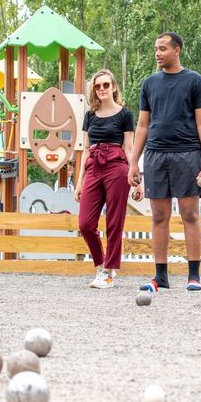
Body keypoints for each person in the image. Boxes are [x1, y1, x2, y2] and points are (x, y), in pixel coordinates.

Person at [128, 32, 201, 293]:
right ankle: (160, 277)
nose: (157, 53)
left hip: (187, 154)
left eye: (163, 48)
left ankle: (194, 276)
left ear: (176, 50)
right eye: (156, 48)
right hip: (155, 155)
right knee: (158, 216)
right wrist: (134, 162)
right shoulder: (149, 84)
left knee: (190, 214)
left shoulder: (194, 81)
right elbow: (142, 125)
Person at [75, 69, 143, 288]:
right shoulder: (90, 115)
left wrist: (137, 179)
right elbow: (85, 150)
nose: (101, 89)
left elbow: (129, 149)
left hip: (117, 167)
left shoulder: (125, 115)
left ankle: (108, 273)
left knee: (114, 221)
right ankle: (101, 264)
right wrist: (79, 182)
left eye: (105, 85)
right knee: (85, 224)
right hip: (93, 166)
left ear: (113, 87)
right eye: (97, 86)